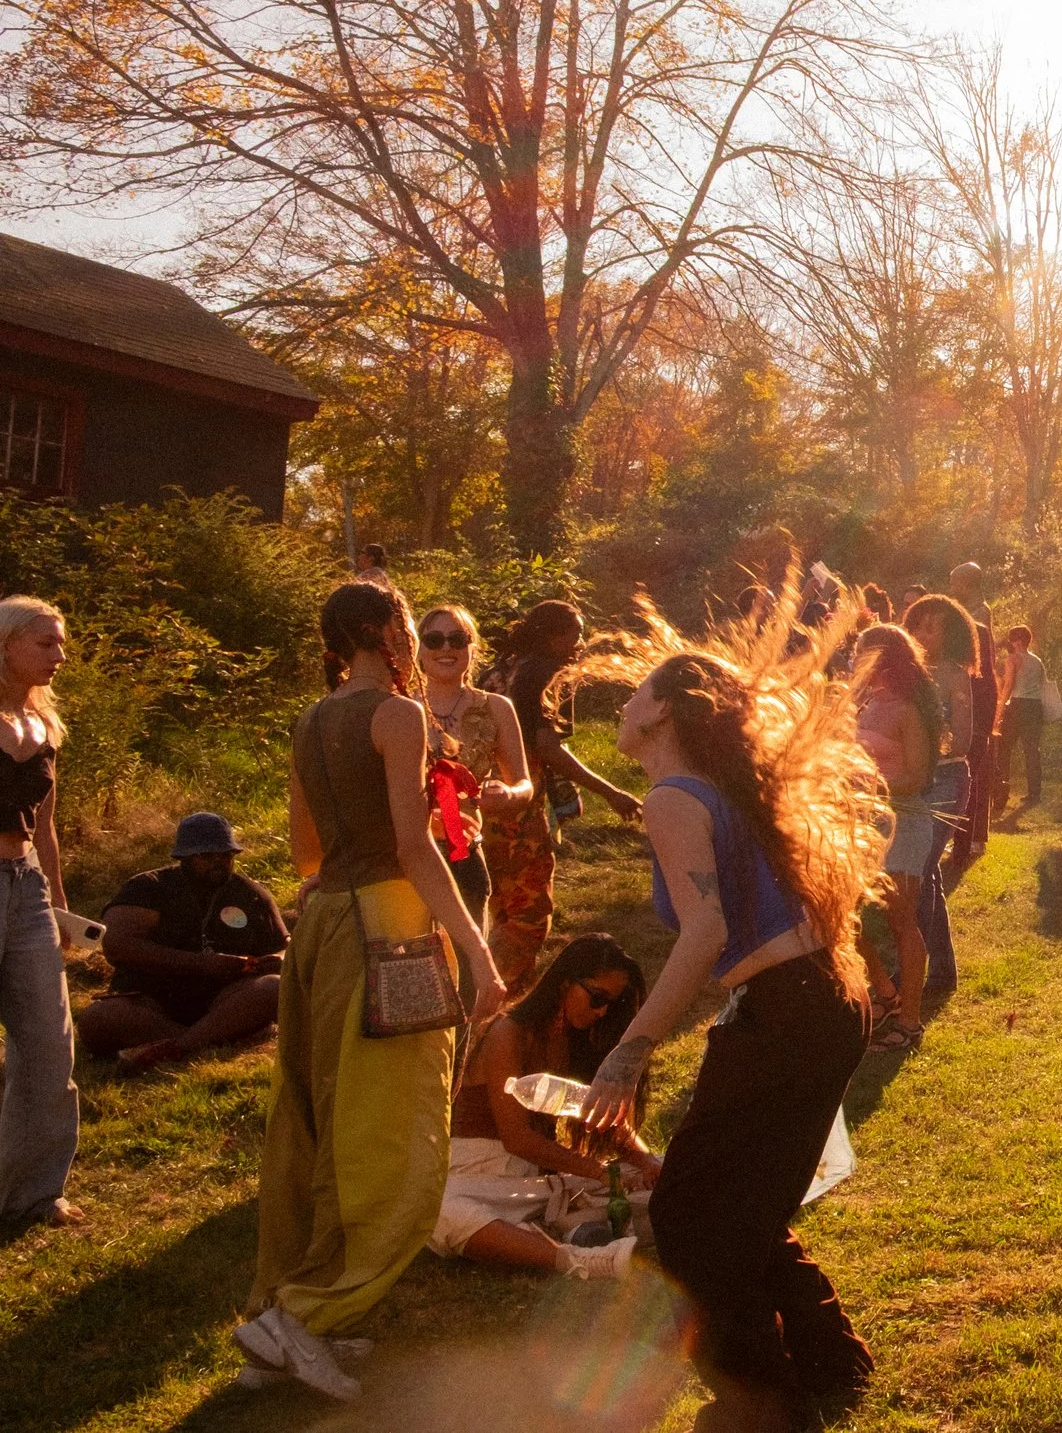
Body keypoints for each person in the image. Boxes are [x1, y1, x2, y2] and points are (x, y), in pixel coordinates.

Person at [575, 603, 882, 1432]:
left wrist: (626, 1055)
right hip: (824, 1001)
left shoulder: (675, 795)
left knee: (685, 1213)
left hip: (788, 1013)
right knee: (742, 1203)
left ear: (664, 709)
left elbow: (704, 930)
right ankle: (825, 1355)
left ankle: (760, 1405)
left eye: (637, 691)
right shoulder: (714, 790)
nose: (625, 702)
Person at [243, 581, 506, 1401]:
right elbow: (416, 846)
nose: (410, 635)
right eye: (402, 621)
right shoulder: (399, 716)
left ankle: (294, 1308)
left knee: (322, 1117)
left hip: (320, 923)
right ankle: (304, 1314)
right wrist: (477, 952)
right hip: (383, 920)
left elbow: (304, 849)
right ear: (377, 631)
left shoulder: (312, 718)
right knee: (392, 1131)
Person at [429, 933, 650, 1280]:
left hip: (537, 1180)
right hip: (475, 1173)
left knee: (655, 1176)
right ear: (564, 984)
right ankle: (576, 1257)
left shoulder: (576, 1041)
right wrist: (599, 1171)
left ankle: (565, 1231)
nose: (603, 1011)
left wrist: (647, 1162)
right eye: (597, 998)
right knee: (439, 1211)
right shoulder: (508, 1033)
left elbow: (605, 1121)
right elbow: (515, 1137)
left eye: (612, 1004)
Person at [484, 600, 641, 986]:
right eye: (575, 632)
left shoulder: (499, 668)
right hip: (518, 801)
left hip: (482, 797)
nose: (580, 642)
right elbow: (548, 748)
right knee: (528, 911)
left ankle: (482, 983)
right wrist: (611, 791)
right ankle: (498, 998)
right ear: (553, 636)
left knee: (496, 902)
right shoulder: (548, 673)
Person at [77, 812, 286, 1073]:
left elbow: (284, 946)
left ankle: (179, 1047)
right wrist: (201, 965)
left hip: (224, 999)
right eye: (206, 857)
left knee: (272, 989)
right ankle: (209, 1038)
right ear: (183, 858)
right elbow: (118, 945)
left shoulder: (250, 893)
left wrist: (272, 961)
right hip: (152, 1001)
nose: (218, 863)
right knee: (98, 1020)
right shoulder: (148, 888)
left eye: (225, 855)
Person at [0, 594, 79, 1227]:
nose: (59, 655)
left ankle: (35, 1192)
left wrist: (57, 903)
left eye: (60, 643)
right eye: (44, 644)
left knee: (49, 1048)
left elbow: (46, 828)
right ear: (5, 646)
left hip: (24, 887)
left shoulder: (45, 725)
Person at [851, 622, 942, 1053]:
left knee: (901, 920)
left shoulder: (908, 710)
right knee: (843, 917)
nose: (853, 660)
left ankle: (909, 1023)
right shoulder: (866, 704)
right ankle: (886, 992)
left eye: (860, 653)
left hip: (904, 824)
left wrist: (869, 786)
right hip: (865, 823)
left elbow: (919, 777)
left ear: (884, 659)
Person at [415, 605, 533, 928]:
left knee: (468, 968)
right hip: (409, 857)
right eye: (434, 639)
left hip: (462, 853)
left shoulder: (496, 708)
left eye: (457, 638)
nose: (446, 648)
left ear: (472, 647)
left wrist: (508, 794)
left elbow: (524, 783)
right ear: (419, 650)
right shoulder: (399, 707)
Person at [947, 563, 1001, 868]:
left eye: (955, 582)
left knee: (973, 774)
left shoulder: (979, 614)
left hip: (975, 695)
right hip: (966, 692)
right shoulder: (970, 611)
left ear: (967, 583)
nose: (952, 587)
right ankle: (962, 837)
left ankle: (971, 838)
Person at [996, 625, 1047, 815]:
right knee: (1032, 749)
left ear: (1017, 641)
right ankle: (1035, 792)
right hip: (1035, 706)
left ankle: (1002, 787)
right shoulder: (1037, 661)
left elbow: (1009, 685)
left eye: (1011, 639)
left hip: (1018, 704)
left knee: (1004, 747)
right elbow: (1042, 685)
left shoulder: (1013, 659)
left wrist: (999, 710)